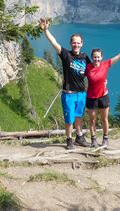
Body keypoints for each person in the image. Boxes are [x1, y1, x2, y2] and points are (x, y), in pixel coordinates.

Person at [39, 18, 91, 149]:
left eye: (78, 43)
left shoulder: (85, 57)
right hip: (69, 94)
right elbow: (54, 42)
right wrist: (46, 30)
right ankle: (69, 139)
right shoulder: (66, 54)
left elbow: (92, 71)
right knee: (69, 120)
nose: (76, 45)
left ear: (82, 44)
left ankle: (79, 137)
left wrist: (103, 80)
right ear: (71, 43)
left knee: (79, 117)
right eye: (74, 43)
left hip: (81, 94)